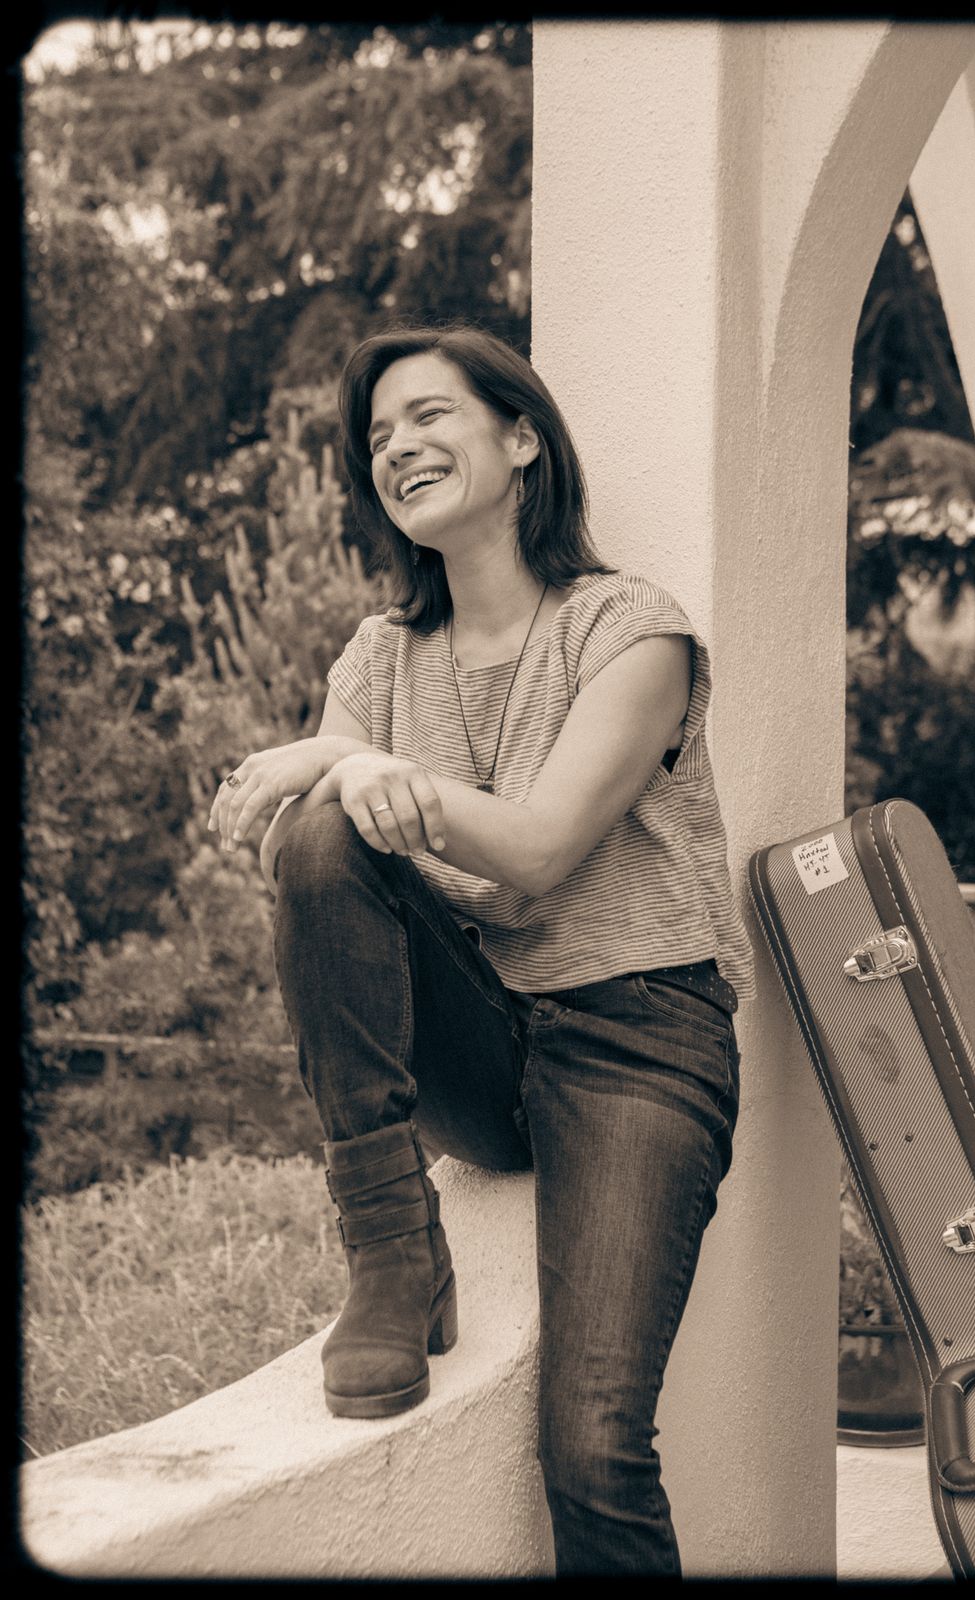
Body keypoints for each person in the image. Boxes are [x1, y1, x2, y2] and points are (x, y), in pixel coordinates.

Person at [208, 323, 755, 1576]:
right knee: (321, 833)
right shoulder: (379, 656)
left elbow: (542, 849)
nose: (396, 446)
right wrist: (343, 770)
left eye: (428, 415)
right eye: (377, 436)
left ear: (520, 439)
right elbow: (323, 865)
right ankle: (391, 1248)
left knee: (593, 1445)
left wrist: (345, 757)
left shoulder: (630, 628)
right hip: (486, 1037)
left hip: (638, 1037)